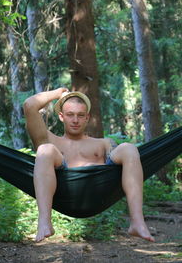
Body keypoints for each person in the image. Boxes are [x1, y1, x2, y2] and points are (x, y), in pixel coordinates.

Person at [23, 87, 155, 243]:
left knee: (129, 148)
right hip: (64, 191)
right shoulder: (50, 141)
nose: (75, 120)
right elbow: (29, 105)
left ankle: (137, 221)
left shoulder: (103, 144)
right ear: (61, 116)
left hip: (99, 191)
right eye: (70, 115)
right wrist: (58, 93)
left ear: (87, 117)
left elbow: (125, 163)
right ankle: (44, 222)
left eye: (80, 115)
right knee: (44, 150)